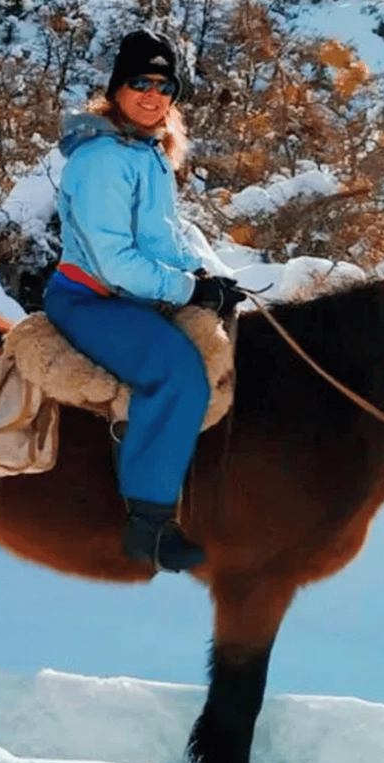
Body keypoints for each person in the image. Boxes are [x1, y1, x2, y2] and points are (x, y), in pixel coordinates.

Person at [46, 29, 245, 573]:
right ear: (116, 89)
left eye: (164, 85)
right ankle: (148, 524)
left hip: (131, 294)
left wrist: (204, 277)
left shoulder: (148, 150)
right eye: (140, 82)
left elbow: (164, 238)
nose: (152, 95)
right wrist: (188, 290)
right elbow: (115, 261)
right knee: (178, 372)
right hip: (92, 300)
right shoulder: (105, 159)